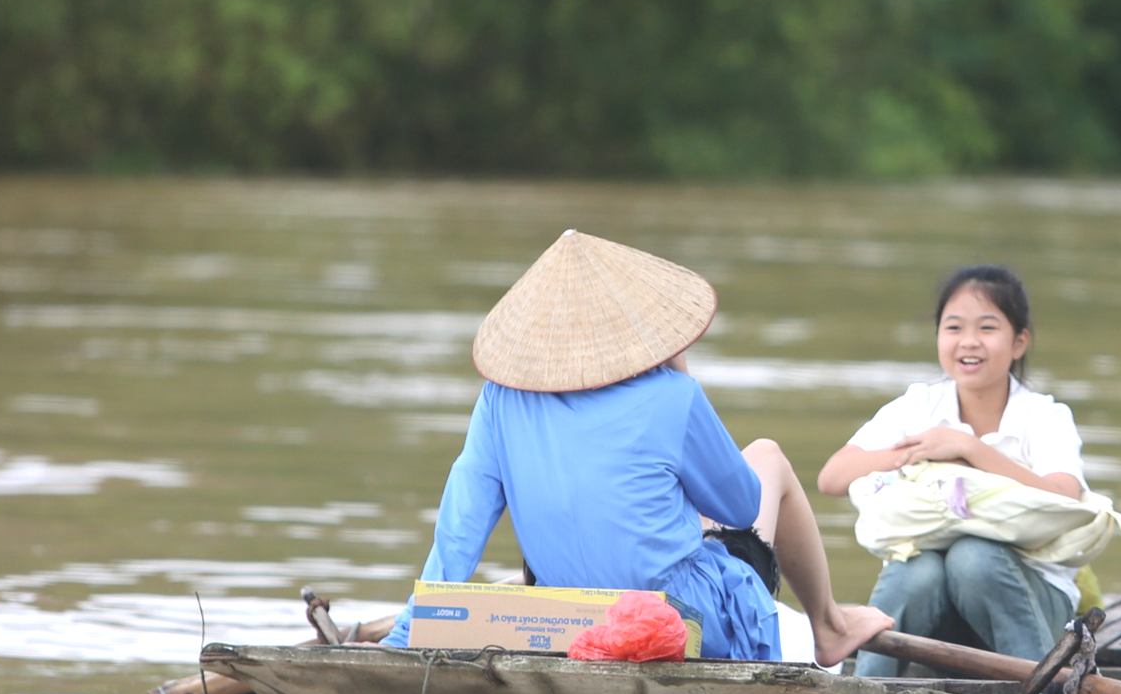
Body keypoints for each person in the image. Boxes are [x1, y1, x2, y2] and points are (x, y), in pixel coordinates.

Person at [381, 230, 892, 666]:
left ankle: (828, 624)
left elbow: (459, 534)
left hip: (562, 618)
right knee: (769, 457)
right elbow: (738, 506)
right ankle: (830, 627)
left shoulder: (499, 399)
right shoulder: (674, 395)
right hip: (678, 619)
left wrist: (409, 633)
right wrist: (681, 373)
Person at [817, 265, 1084, 675]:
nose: (969, 342)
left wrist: (969, 449)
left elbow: (1065, 497)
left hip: (1029, 604)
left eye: (988, 328)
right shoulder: (918, 407)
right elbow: (833, 476)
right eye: (954, 327)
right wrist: (928, 452)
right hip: (931, 607)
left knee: (972, 557)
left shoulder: (1045, 416)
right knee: (915, 568)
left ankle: (1041, 693)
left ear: (1019, 342)